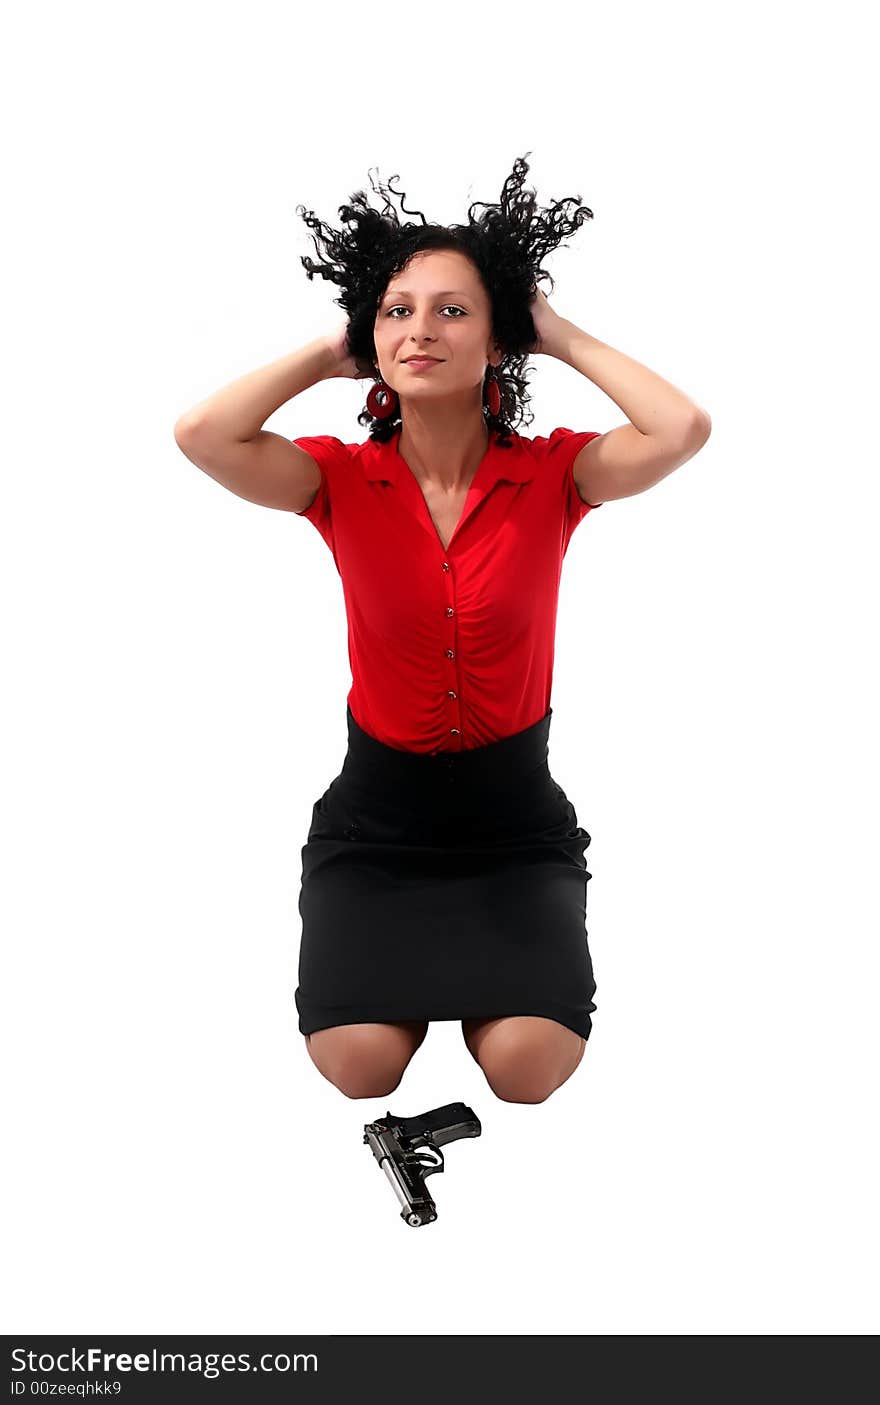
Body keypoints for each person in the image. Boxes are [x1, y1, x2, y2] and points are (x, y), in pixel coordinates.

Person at [174, 154, 711, 1105]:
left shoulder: (553, 473)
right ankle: (416, 986)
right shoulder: (335, 476)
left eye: (453, 310)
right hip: (377, 827)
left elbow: (680, 429)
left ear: (496, 336)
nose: (420, 329)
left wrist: (553, 332)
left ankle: (490, 989)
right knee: (358, 1069)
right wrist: (328, 348)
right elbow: (203, 435)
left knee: (525, 1073)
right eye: (397, 310)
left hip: (515, 828)